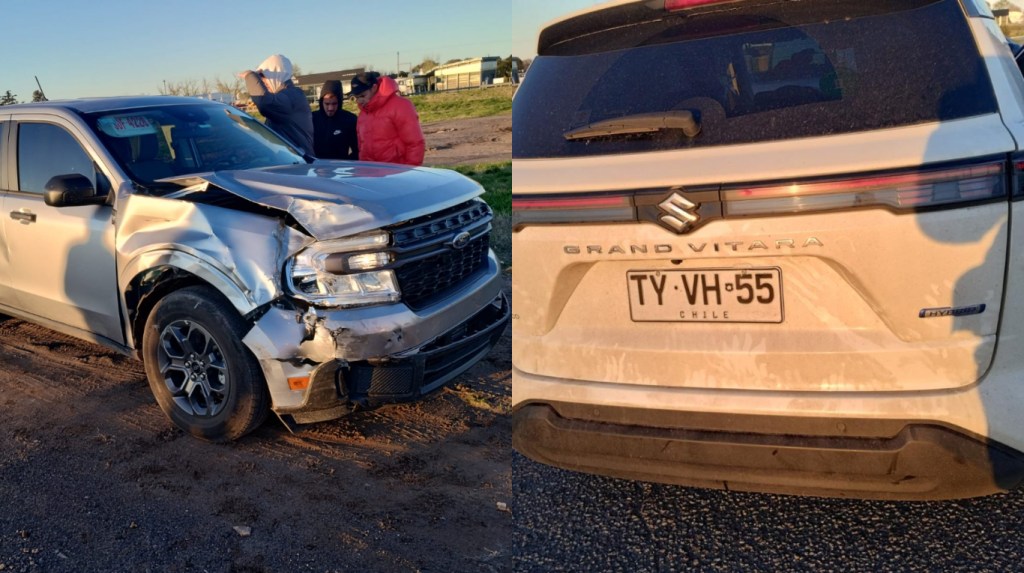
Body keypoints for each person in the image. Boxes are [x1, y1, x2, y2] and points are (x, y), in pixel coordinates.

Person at [239, 54, 315, 156]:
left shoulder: (292, 96)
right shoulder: (284, 99)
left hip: (298, 166)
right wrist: (237, 120)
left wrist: (251, 76)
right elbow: (269, 133)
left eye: (263, 77)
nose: (263, 83)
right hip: (290, 162)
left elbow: (264, 103)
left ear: (275, 77)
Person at [349, 71, 425, 166]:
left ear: (374, 88)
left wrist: (409, 173)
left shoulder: (401, 106)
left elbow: (415, 144)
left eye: (362, 96)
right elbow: (362, 147)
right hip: (370, 175)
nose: (359, 101)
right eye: (356, 97)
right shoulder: (363, 114)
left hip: (396, 173)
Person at [311, 80, 358, 159]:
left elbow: (357, 150)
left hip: (340, 168)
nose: (330, 108)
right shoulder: (312, 119)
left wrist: (346, 165)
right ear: (321, 102)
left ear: (339, 102)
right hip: (317, 167)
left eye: (334, 104)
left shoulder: (350, 120)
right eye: (327, 104)